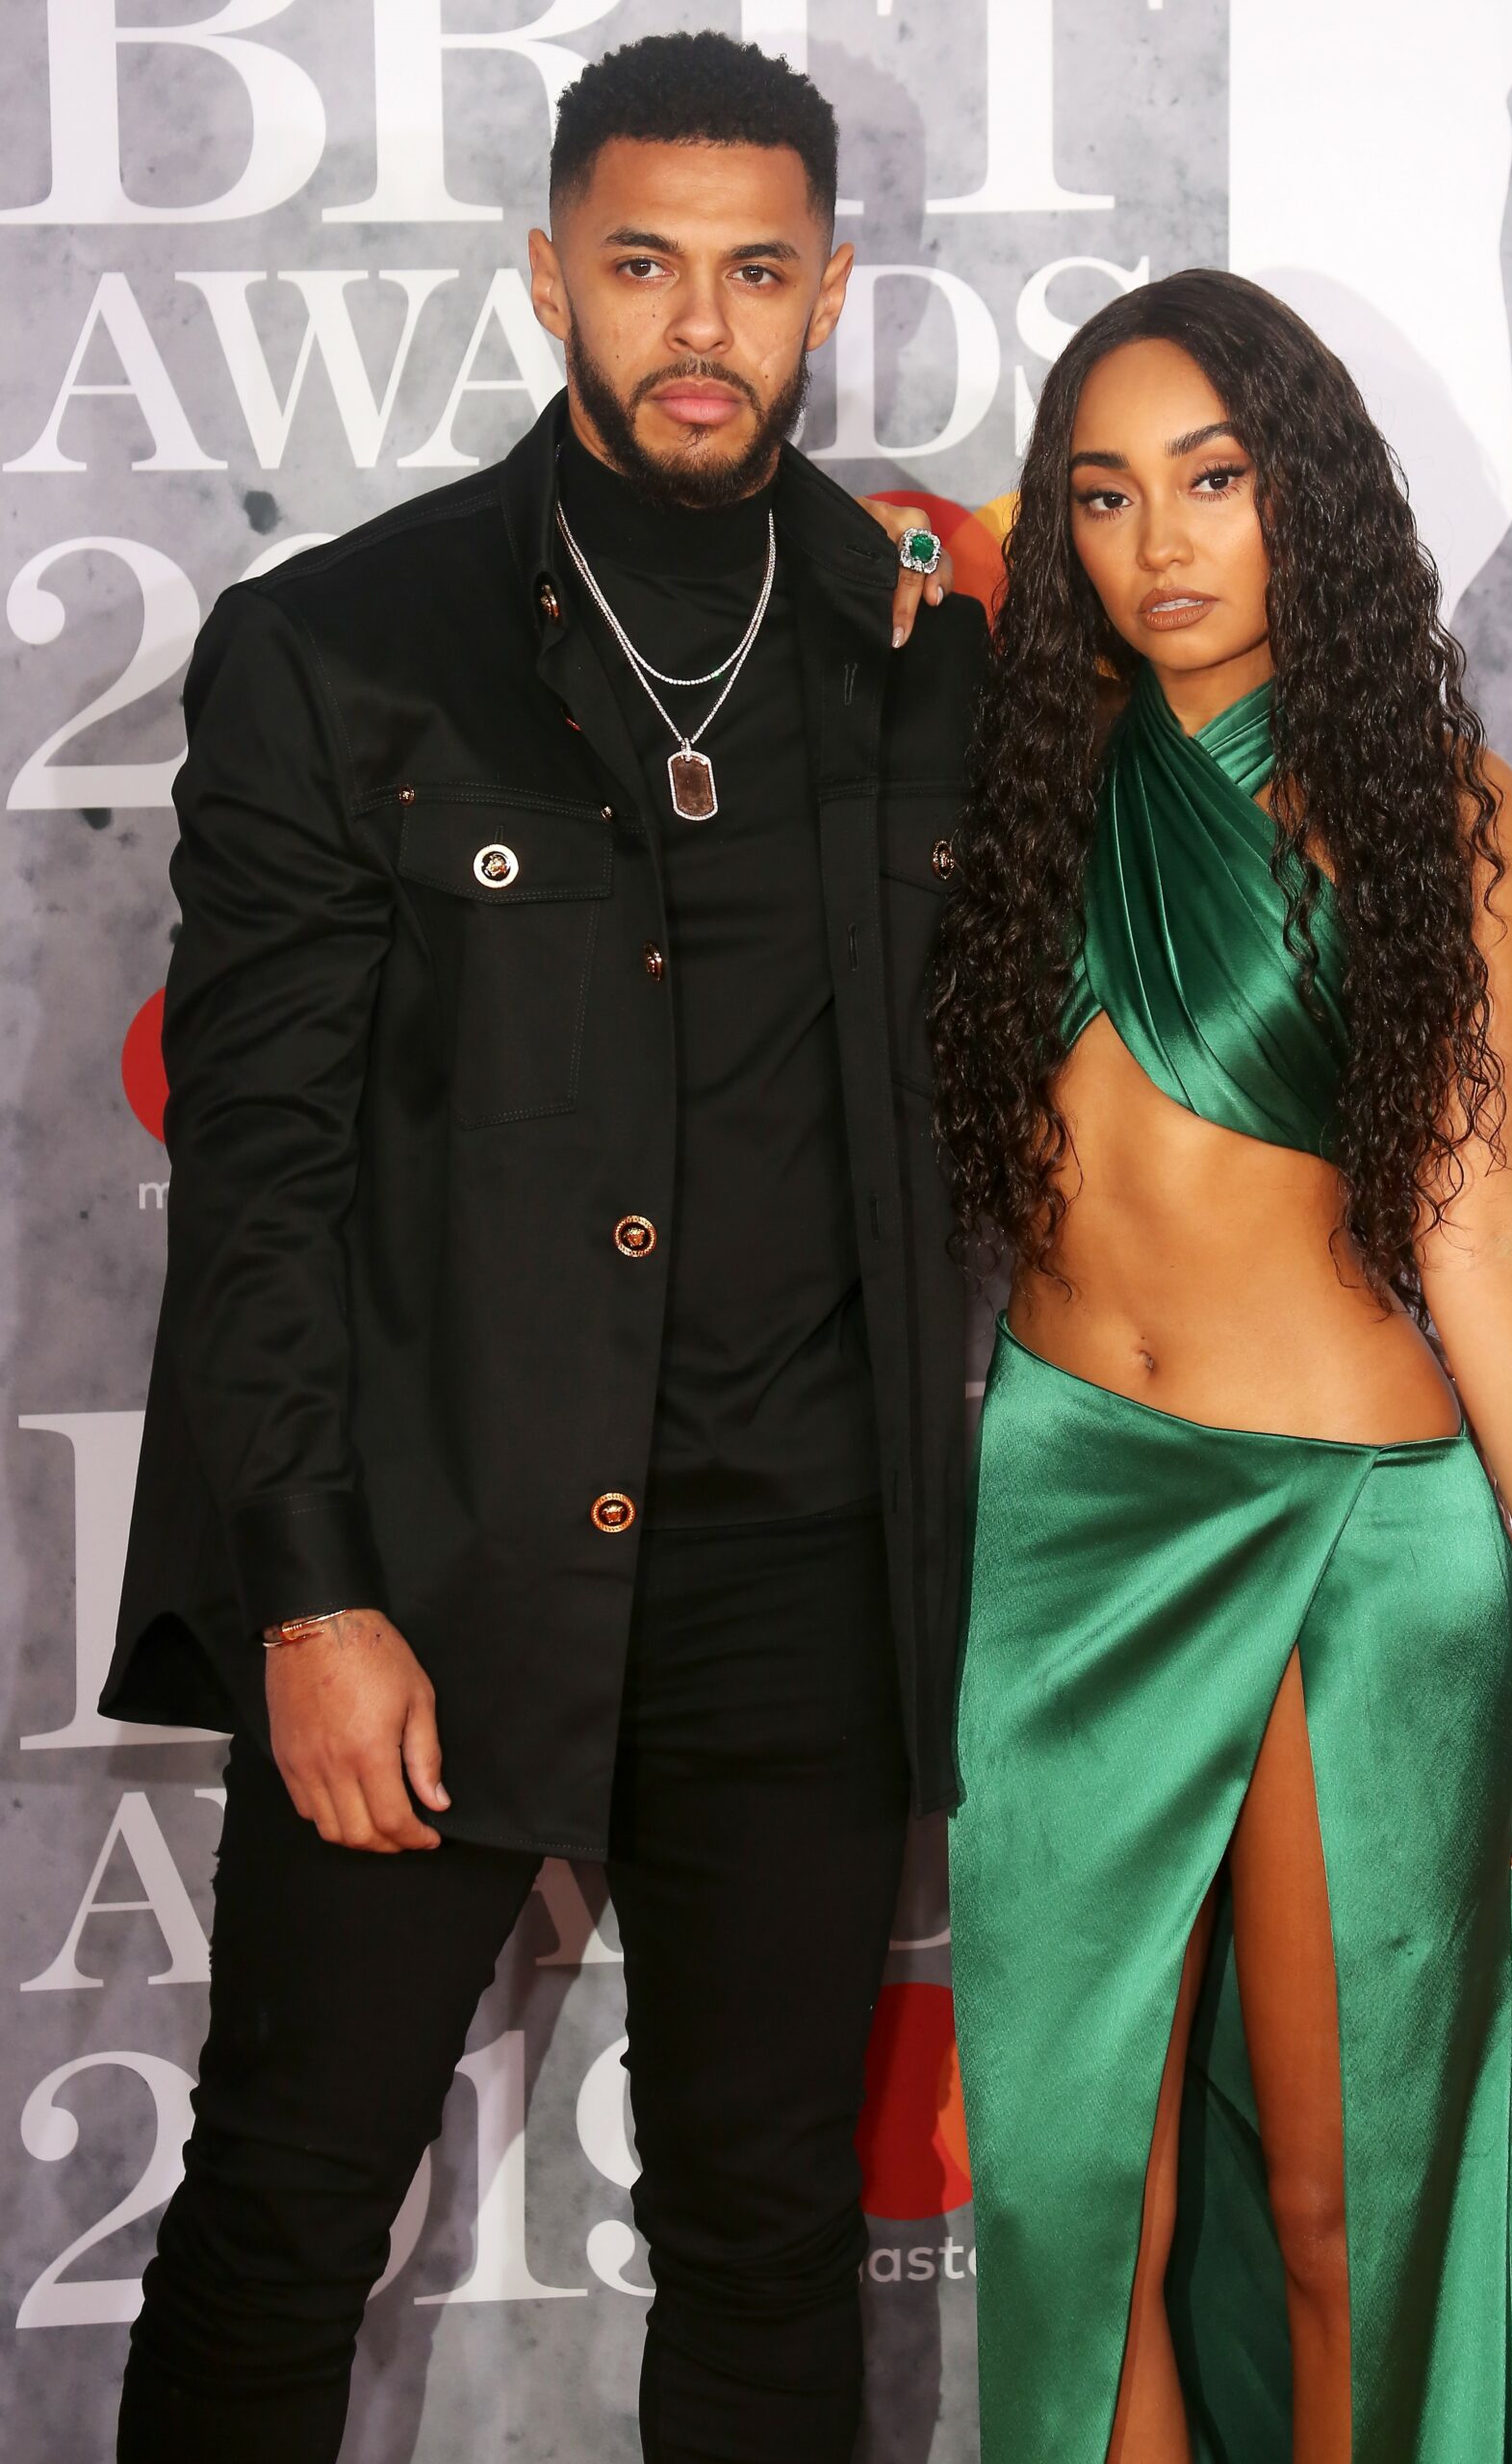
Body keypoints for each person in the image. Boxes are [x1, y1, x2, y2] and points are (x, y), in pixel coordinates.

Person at [103, 32, 982, 2464]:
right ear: (547, 279)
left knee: (771, 2232)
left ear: (826, 289)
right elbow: (259, 1173)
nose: (700, 324)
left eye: (756, 270)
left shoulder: (943, 659)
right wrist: (307, 1590)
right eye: (643, 266)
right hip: (434, 1555)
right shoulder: (340, 655)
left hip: (800, 1574)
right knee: (286, 2207)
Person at [932, 270, 1512, 2464]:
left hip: (1354, 1531)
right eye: (1105, 494)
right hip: (1068, 1514)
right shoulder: (1021, 775)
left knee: (1345, 2202)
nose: (1162, 546)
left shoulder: (1437, 805)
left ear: (1300, 497)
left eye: (1215, 484)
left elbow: (1471, 1204)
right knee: (1070, 2198)